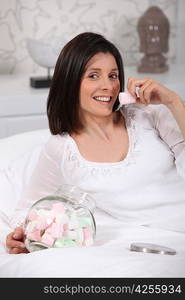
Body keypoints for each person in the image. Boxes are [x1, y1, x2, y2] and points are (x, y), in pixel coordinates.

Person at [6, 32, 185, 254]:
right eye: (93, 76)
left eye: (113, 75)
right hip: (164, 243)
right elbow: (27, 208)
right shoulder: (62, 149)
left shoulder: (148, 114)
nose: (108, 86)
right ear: (70, 82)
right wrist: (22, 234)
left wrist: (173, 101)